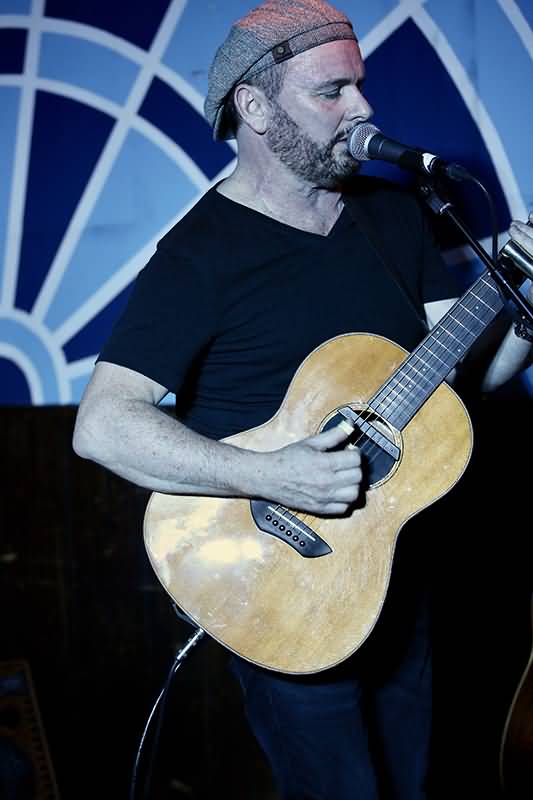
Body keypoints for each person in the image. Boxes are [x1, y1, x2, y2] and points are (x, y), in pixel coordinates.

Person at [73, 1, 533, 797]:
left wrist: (525, 310)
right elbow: (103, 427)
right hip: (281, 579)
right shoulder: (198, 255)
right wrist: (271, 473)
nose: (362, 108)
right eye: (331, 91)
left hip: (394, 566)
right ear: (254, 108)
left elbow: (459, 381)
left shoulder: (392, 214)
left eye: (358, 85)